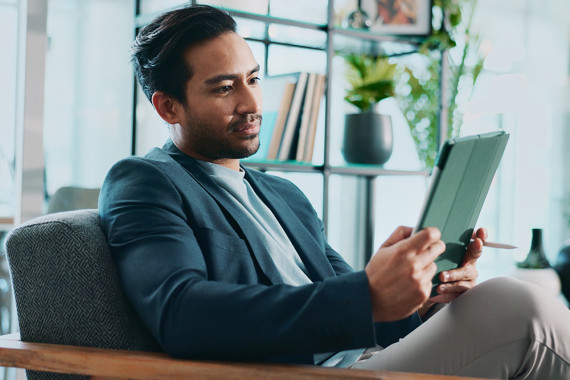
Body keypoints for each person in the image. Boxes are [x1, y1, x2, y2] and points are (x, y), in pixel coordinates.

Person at [98, 4, 570, 378]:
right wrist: (366, 295)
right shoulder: (146, 182)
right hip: (300, 375)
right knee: (517, 306)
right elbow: (183, 315)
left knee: (497, 303)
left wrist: (419, 296)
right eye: (224, 88)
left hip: (364, 361)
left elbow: (362, 317)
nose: (251, 102)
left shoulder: (283, 195)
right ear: (168, 107)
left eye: (254, 79)